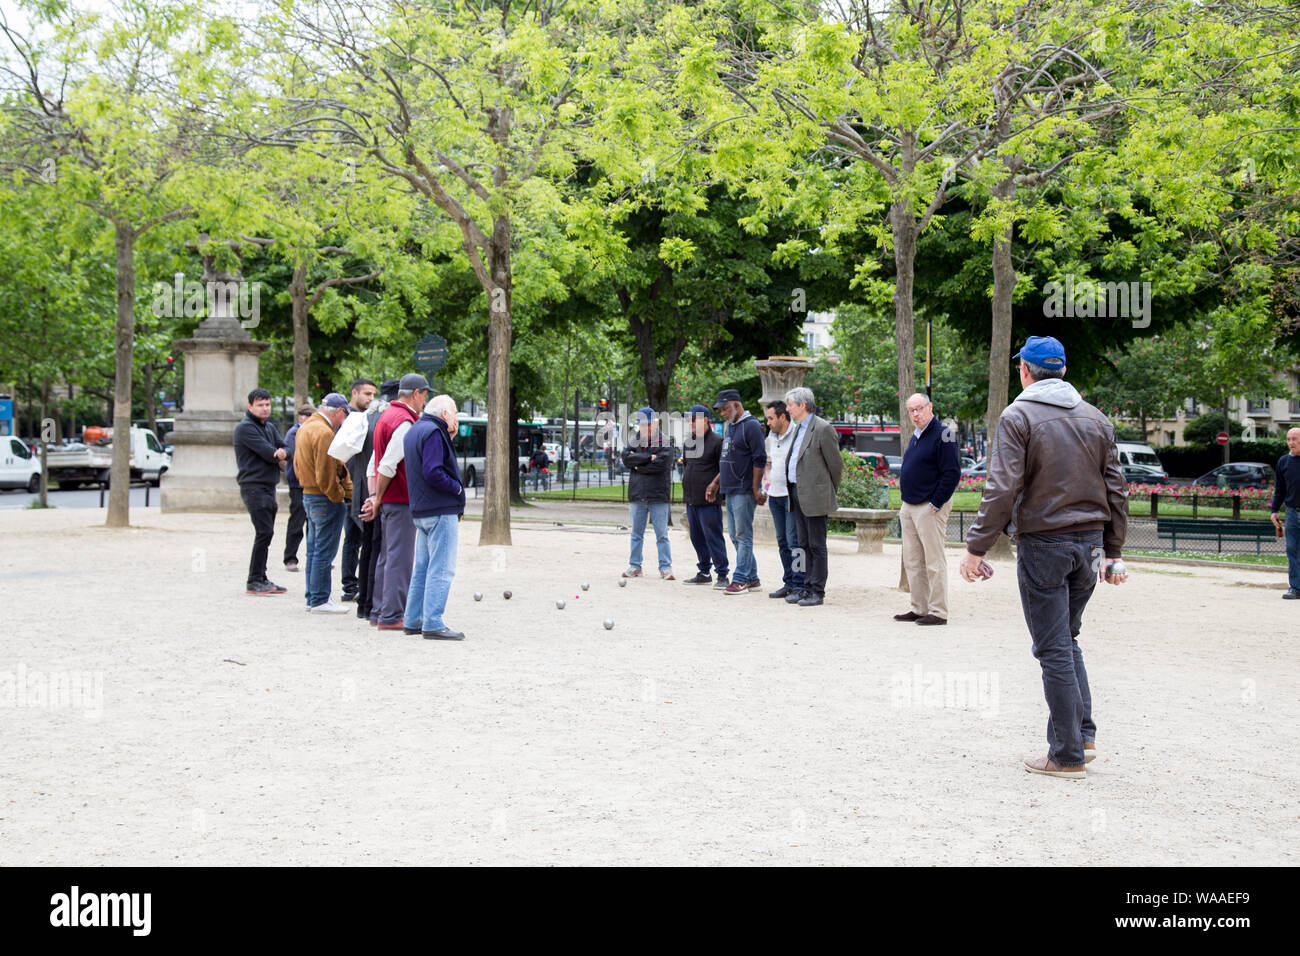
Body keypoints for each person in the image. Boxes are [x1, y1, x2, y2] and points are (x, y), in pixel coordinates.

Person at [959, 335, 1129, 780]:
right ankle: (1083, 734)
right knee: (1067, 641)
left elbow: (1002, 487)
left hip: (1045, 542)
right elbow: (1117, 490)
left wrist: (976, 547)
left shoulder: (1019, 416)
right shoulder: (1096, 418)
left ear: (1024, 371)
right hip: (1090, 544)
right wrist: (1113, 551)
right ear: (1064, 370)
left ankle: (1067, 753)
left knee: (1053, 647)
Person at [364, 373, 430, 630]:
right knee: (400, 559)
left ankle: (380, 611)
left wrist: (375, 497)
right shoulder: (404, 421)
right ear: (415, 394)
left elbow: (375, 463)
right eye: (424, 396)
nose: (425, 402)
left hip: (389, 499)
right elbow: (389, 464)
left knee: (386, 557)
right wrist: (378, 498)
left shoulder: (386, 417)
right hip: (399, 498)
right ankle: (392, 615)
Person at [404, 394, 467, 640]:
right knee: (442, 568)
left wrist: (448, 440)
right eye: (455, 413)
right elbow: (433, 470)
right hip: (440, 508)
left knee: (422, 567)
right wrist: (457, 488)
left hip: (422, 509)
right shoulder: (433, 432)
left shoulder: (416, 430)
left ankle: (413, 619)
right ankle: (433, 622)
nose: (456, 419)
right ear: (444, 415)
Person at [895, 393, 961, 626]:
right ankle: (919, 607)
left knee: (933, 561)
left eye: (919, 408)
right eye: (911, 410)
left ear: (930, 407)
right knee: (913, 561)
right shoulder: (917, 435)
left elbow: (952, 472)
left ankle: (938, 611)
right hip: (910, 505)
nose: (915, 414)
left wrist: (936, 502)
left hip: (929, 506)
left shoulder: (943, 433)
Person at [783, 387, 842, 606]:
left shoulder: (823, 428)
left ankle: (817, 590)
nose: (787, 408)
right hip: (797, 493)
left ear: (803, 405)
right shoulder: (799, 428)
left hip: (815, 496)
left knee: (817, 545)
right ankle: (804, 587)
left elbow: (835, 465)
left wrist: (826, 491)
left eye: (790, 404)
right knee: (802, 544)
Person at [295, 393, 354, 613]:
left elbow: (297, 464)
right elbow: (327, 473)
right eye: (344, 414)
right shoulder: (324, 432)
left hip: (309, 495)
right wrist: (339, 496)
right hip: (324, 497)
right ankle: (320, 599)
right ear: (338, 411)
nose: (344, 420)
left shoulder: (306, 427)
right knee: (324, 551)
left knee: (314, 549)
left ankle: (313, 597)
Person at [706, 389, 766, 594]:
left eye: (725, 408)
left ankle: (740, 579)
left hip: (743, 489)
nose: (722, 413)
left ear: (737, 405)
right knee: (734, 535)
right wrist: (715, 483)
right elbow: (726, 459)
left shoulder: (751, 426)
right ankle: (752, 577)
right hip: (729, 488)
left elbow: (759, 459)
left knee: (743, 534)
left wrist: (755, 487)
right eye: (720, 410)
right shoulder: (731, 427)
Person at [232, 388, 288, 596]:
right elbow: (268, 453)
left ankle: (261, 577)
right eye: (260, 405)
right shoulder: (245, 428)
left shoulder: (269, 427)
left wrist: (282, 453)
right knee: (264, 533)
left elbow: (285, 448)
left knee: (266, 533)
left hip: (267, 486)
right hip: (254, 487)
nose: (265, 409)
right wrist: (279, 454)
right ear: (250, 407)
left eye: (267, 404)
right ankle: (254, 580)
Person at [354, 379, 398, 621]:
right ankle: (373, 604)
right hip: (380, 491)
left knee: (367, 548)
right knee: (380, 548)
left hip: (363, 488)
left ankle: (363, 602)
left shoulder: (366, 417)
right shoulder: (389, 419)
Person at [621, 407, 674, 579]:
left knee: (662, 535)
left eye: (649, 424)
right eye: (642, 425)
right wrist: (646, 459)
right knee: (636, 534)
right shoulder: (634, 440)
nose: (646, 428)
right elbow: (626, 459)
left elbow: (661, 465)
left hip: (658, 494)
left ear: (656, 423)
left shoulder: (665, 441)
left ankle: (665, 567)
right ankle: (635, 566)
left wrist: (637, 464)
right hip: (637, 493)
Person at [680, 404, 729, 588]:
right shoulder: (689, 442)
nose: (691, 423)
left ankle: (722, 574)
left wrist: (714, 486)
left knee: (713, 536)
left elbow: (723, 468)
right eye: (689, 419)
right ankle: (704, 571)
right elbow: (687, 465)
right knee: (696, 536)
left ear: (705, 420)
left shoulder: (717, 441)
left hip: (709, 500)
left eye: (694, 419)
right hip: (691, 498)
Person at [340, 378, 377, 600]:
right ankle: (351, 586)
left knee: (356, 540)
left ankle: (356, 586)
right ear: (354, 393)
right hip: (351, 487)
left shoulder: (367, 419)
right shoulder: (348, 420)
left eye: (373, 394)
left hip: (359, 486)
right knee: (355, 540)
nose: (371, 398)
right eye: (367, 394)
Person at [763, 400, 803, 599]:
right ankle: (789, 581)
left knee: (794, 542)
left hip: (791, 496)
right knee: (782, 541)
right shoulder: (772, 436)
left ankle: (800, 584)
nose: (768, 422)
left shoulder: (797, 435)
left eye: (771, 418)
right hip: (775, 495)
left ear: (782, 417)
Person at [281, 404, 314, 572]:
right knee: (297, 521)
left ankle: (314, 557)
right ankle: (290, 558)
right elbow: (296, 459)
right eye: (307, 416)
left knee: (313, 523)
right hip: (298, 484)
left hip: (309, 484)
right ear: (301, 417)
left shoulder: (310, 432)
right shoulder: (294, 433)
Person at [1270, 426, 1300, 599]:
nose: (1291, 443)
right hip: (1291, 512)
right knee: (1292, 549)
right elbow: (1279, 489)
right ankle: (1295, 588)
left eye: (1294, 439)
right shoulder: (1283, 462)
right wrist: (1274, 510)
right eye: (1288, 439)